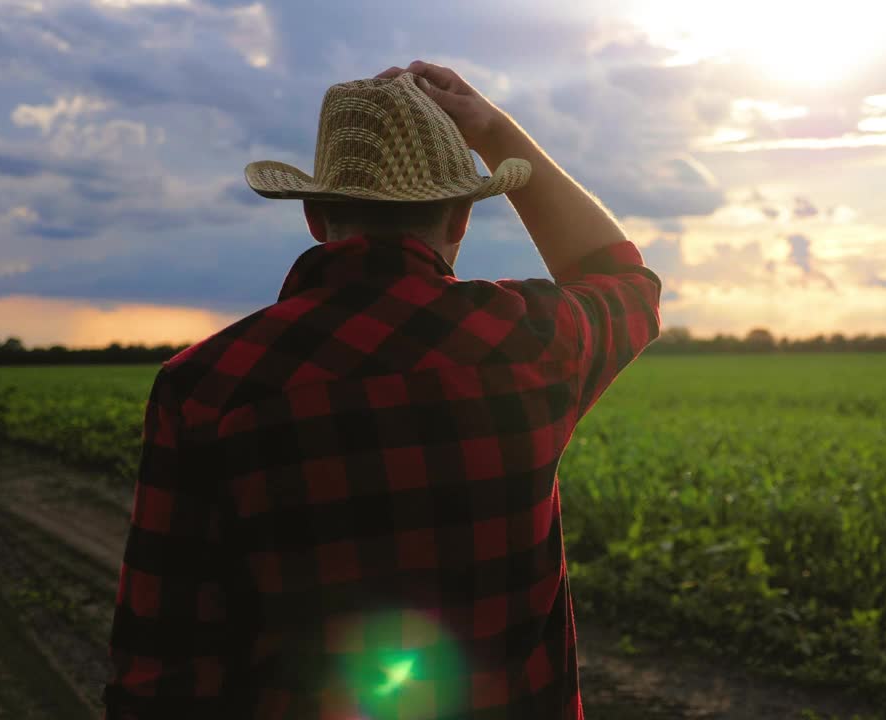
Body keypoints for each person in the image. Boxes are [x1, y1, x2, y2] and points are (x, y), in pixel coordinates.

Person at [102, 60, 661, 719]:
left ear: (314, 215)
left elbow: (161, 670)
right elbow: (625, 282)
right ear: (460, 220)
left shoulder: (205, 388)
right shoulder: (532, 343)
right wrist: (496, 132)